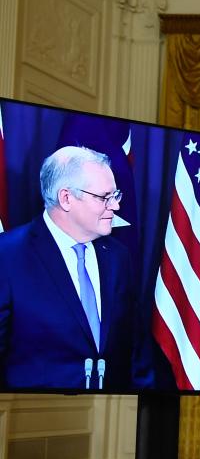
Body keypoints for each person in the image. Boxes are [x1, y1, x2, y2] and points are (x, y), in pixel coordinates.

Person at [0, 146, 137, 390]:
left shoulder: (118, 256)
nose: (115, 206)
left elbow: (134, 349)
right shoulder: (8, 256)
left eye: (115, 195)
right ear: (66, 198)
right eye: (104, 197)